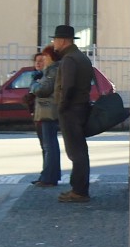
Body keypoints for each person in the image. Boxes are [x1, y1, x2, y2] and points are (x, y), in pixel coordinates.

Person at [52, 24, 94, 203]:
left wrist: (61, 106)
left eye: (55, 40)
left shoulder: (69, 59)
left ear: (62, 41)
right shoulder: (82, 57)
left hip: (71, 110)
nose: (53, 43)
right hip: (81, 107)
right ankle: (79, 188)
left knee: (75, 152)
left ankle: (79, 191)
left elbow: (67, 86)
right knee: (80, 150)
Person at [30, 45, 61, 186]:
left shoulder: (52, 71)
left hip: (48, 112)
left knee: (50, 146)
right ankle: (46, 175)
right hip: (44, 112)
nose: (43, 59)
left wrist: (34, 85)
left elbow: (43, 89)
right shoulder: (49, 71)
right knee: (47, 146)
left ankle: (49, 177)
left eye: (45, 57)